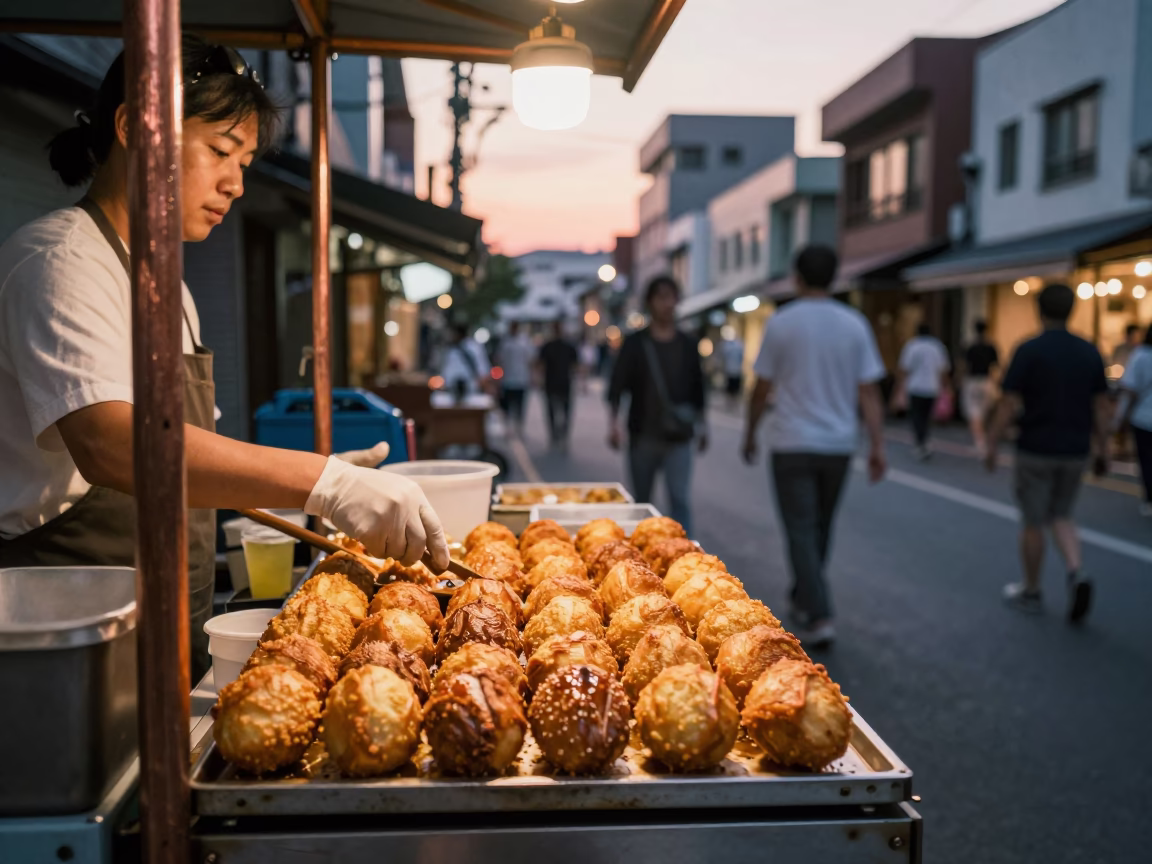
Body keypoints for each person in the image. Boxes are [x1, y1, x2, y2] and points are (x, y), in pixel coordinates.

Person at [0, 37, 449, 680]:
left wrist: (298, 490)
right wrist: (324, 481)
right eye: (219, 151)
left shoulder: (168, 286)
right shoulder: (62, 262)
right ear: (134, 126)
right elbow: (111, 446)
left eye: (244, 160)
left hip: (164, 625)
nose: (236, 183)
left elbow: (182, 453)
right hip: (67, 645)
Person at [742, 246, 887, 648]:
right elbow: (869, 391)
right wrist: (877, 445)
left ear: (797, 278)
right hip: (838, 444)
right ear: (835, 277)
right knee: (820, 526)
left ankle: (819, 612)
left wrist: (751, 432)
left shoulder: (782, 323)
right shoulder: (854, 324)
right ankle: (808, 596)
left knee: (800, 529)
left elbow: (762, 387)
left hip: (791, 441)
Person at [984, 283, 1109, 623]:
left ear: (1039, 310)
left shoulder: (1029, 350)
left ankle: (1032, 589)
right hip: (1076, 448)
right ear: (1072, 309)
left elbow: (1009, 402)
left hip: (1036, 446)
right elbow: (1100, 405)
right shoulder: (1089, 350)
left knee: (1034, 520)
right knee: (1063, 514)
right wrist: (1104, 447)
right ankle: (1075, 570)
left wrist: (992, 443)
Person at [608, 277, 706, 534]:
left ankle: (685, 556)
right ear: (649, 302)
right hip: (643, 434)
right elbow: (617, 385)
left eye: (670, 297)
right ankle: (641, 559)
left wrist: (703, 427)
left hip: (679, 435)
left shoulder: (687, 344)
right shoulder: (635, 343)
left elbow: (699, 389)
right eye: (660, 297)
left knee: (680, 500)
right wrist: (613, 424)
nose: (666, 303)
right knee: (642, 504)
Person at [895, 323, 951, 460]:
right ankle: (925, 440)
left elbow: (904, 368)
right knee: (926, 416)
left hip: (915, 387)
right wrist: (946, 387)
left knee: (917, 416)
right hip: (932, 387)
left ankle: (921, 442)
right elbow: (943, 369)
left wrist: (900, 388)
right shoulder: (937, 346)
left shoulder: (912, 346)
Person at [1117, 325, 1152, 516]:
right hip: (1143, 416)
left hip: (1143, 418)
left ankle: (1149, 498)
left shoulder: (1140, 356)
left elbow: (1129, 389)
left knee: (1146, 459)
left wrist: (1122, 417)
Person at [538, 321, 580, 446]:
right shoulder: (551, 346)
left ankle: (559, 433)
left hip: (560, 383)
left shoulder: (562, 346)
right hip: (556, 383)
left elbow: (575, 365)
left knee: (559, 410)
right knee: (557, 410)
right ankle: (557, 433)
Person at [962, 319, 999, 456]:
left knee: (974, 412)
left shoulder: (970, 346)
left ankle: (979, 442)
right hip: (987, 381)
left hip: (972, 381)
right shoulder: (991, 346)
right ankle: (986, 440)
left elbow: (964, 365)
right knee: (987, 410)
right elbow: (996, 366)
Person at [495, 321, 534, 434]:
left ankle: (519, 426)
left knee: (520, 405)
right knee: (507, 404)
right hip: (507, 380)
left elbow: (530, 360)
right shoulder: (505, 342)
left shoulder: (524, 341)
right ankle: (507, 426)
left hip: (522, 379)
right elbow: (499, 360)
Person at [441, 324, 491, 402]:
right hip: (452, 391)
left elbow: (483, 371)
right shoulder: (451, 350)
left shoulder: (475, 348)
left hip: (471, 391)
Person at [720, 333, 746, 407]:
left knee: (733, 388)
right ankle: (731, 403)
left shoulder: (731, 346)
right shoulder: (737, 346)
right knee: (732, 388)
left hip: (733, 370)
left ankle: (731, 403)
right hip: (733, 370)